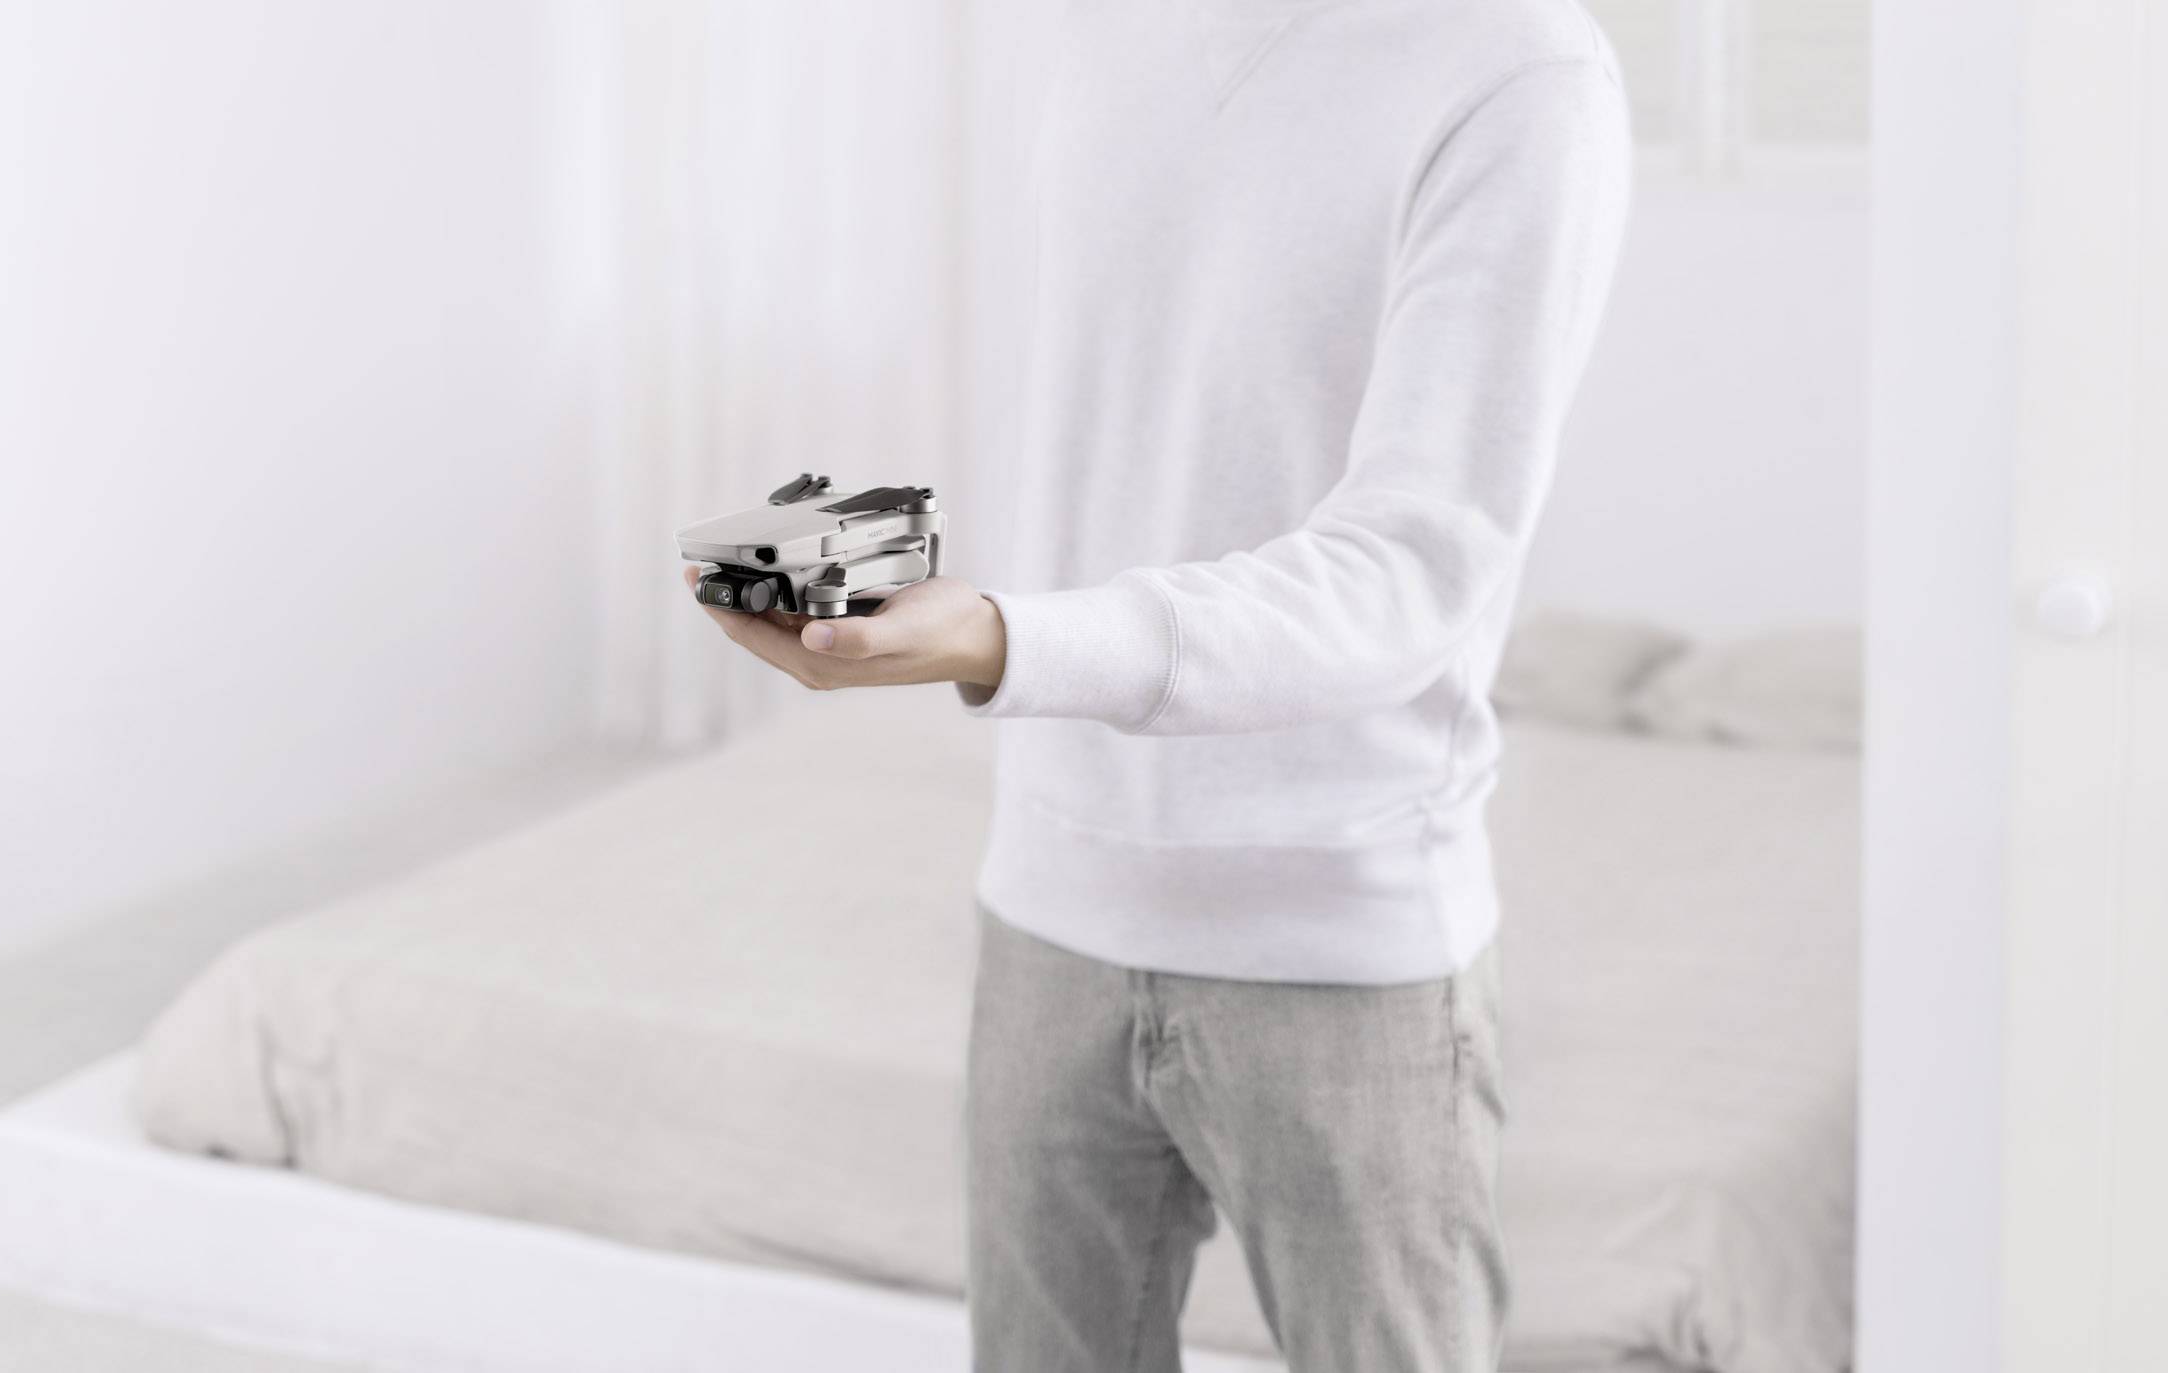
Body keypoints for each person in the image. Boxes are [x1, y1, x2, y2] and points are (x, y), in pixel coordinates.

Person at [691, 1, 1630, 1367]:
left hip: (1340, 937)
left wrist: (1011, 640)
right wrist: (910, 576)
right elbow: (1111, 421)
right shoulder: (1091, 33)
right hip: (1048, 906)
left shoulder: (1520, 74)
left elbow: (1410, 573)